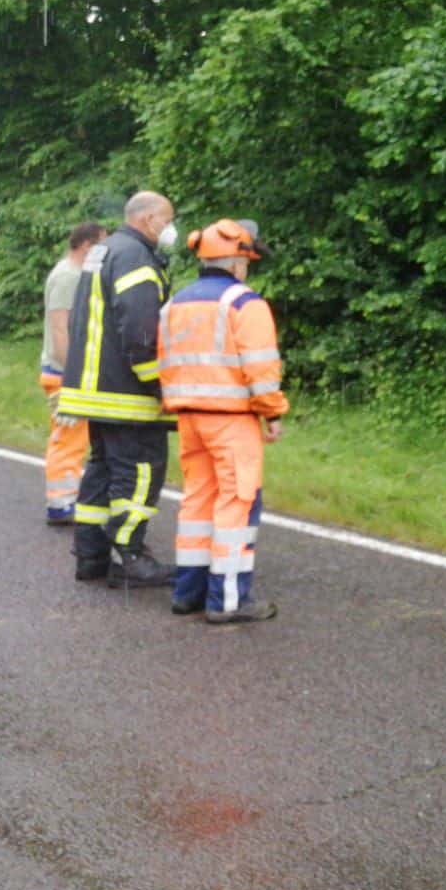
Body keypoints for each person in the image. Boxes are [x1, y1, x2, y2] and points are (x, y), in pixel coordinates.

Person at [158, 218, 288, 624]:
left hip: (189, 419)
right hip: (232, 421)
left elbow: (164, 362)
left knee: (197, 502)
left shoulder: (175, 303)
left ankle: (187, 593)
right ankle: (228, 601)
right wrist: (273, 411)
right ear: (236, 262)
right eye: (247, 260)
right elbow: (261, 370)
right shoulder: (244, 303)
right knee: (237, 503)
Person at [57, 191, 180, 587]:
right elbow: (140, 329)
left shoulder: (105, 251)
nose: (170, 227)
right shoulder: (137, 258)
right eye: (167, 218)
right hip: (126, 393)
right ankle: (129, 557)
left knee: (102, 472)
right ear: (146, 219)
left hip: (93, 388)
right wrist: (160, 385)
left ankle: (91, 557)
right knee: (140, 473)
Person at [39, 221, 107, 525]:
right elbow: (59, 328)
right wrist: (73, 374)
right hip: (62, 374)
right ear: (86, 245)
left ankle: (68, 496)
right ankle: (60, 502)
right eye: (102, 244)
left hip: (67, 373)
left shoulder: (76, 274)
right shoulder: (67, 277)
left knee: (75, 438)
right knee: (67, 438)